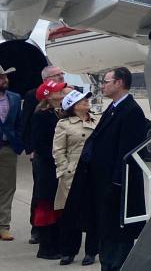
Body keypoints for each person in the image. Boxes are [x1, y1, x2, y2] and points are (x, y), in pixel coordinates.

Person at [70, 67, 146, 271]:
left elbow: (127, 153)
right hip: (102, 185)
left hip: (116, 189)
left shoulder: (131, 112)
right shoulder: (113, 108)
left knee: (117, 238)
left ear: (119, 83)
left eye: (106, 81)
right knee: (105, 234)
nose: (102, 85)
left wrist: (116, 183)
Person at [21, 65, 66, 246]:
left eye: (62, 74)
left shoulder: (66, 93)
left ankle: (55, 229)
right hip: (42, 153)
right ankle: (37, 229)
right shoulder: (34, 96)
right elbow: (27, 123)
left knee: (57, 193)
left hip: (58, 155)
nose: (62, 77)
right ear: (47, 79)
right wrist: (30, 148)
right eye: (58, 75)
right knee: (41, 193)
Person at [54, 88, 100, 266]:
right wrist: (63, 171)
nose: (86, 102)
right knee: (70, 214)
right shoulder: (63, 124)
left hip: (92, 172)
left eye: (86, 100)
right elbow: (58, 151)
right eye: (82, 101)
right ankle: (68, 251)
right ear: (72, 106)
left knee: (92, 213)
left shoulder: (97, 120)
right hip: (72, 173)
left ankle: (91, 251)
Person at [31, 80, 69, 260]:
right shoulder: (42, 115)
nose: (62, 94)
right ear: (48, 96)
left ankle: (56, 243)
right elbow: (39, 144)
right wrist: (58, 157)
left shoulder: (58, 114)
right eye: (58, 91)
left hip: (55, 165)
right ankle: (46, 247)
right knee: (46, 205)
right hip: (47, 166)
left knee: (56, 204)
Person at [0, 65, 24, 242]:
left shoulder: (14, 98)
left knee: (8, 188)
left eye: (5, 77)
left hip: (8, 147)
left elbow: (19, 123)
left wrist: (18, 142)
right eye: (1, 78)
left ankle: (3, 226)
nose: (5, 80)